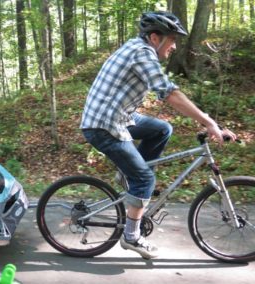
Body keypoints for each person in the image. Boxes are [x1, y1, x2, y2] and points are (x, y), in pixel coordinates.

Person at [80, 11, 236, 259]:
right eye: (172, 40)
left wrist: (205, 120)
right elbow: (169, 94)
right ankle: (131, 237)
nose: (174, 47)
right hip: (103, 125)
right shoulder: (142, 53)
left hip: (119, 117)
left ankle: (130, 176)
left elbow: (168, 94)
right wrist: (208, 122)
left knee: (162, 128)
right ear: (155, 37)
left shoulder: (137, 46)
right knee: (144, 180)